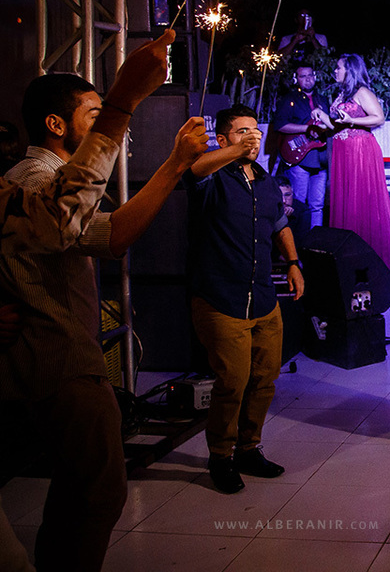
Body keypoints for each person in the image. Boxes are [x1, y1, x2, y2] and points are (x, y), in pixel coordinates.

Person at [0, 29, 181, 572]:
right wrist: (124, 102)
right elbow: (62, 223)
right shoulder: (35, 175)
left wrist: (174, 166)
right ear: (57, 125)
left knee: (88, 489)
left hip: (64, 355)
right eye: (93, 113)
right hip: (56, 358)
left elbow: (109, 236)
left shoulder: (51, 178)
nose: (105, 124)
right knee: (98, 489)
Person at [186, 104, 305, 495]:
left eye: (255, 131)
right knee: (231, 382)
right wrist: (236, 153)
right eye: (241, 132)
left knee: (264, 379)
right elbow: (195, 169)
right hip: (222, 298)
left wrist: (293, 262)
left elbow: (279, 223)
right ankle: (220, 457)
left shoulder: (267, 182)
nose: (251, 138)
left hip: (264, 298)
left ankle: (248, 448)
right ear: (222, 139)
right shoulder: (212, 176)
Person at [313, 53, 390, 272]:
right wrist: (322, 117)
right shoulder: (342, 93)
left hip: (360, 150)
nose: (335, 71)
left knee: (360, 200)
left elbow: (379, 117)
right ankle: (349, 256)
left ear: (350, 70)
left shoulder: (362, 92)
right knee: (346, 201)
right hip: (343, 151)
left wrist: (352, 119)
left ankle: (368, 256)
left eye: (339, 68)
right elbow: (337, 126)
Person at [272, 64, 330, 229]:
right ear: (296, 79)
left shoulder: (323, 100)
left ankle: (315, 241)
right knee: (297, 202)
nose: (308, 79)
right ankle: (297, 242)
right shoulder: (289, 99)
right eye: (303, 76)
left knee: (317, 205)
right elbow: (280, 125)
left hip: (320, 158)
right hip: (299, 158)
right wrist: (307, 128)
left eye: (310, 75)